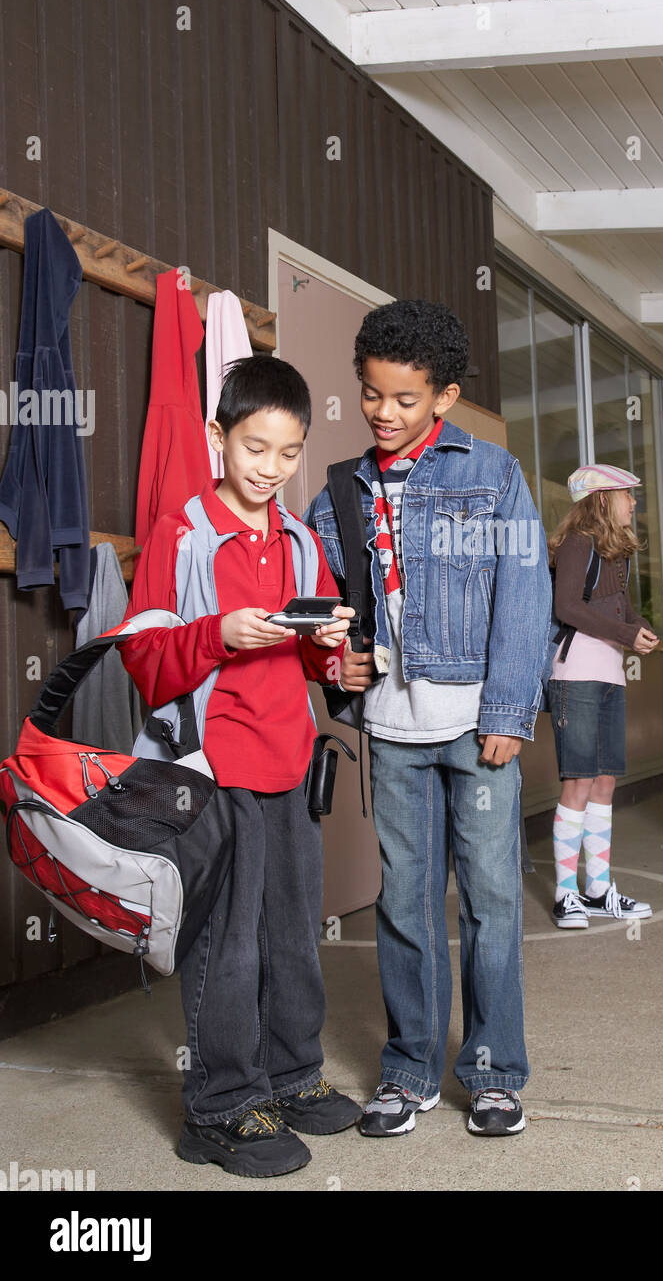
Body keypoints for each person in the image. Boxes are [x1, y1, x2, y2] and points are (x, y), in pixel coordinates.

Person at [304, 299, 551, 1139]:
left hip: (477, 725)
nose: (384, 412)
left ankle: (491, 1073)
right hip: (392, 731)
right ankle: (407, 1069)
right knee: (405, 905)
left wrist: (510, 713)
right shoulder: (338, 492)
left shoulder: (493, 475)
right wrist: (338, 666)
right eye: (372, 394)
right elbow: (334, 618)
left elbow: (525, 597)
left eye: (405, 399)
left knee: (489, 902)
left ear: (443, 397)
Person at [121, 355, 363, 1178]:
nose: (270, 469)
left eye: (288, 453)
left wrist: (332, 655)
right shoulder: (180, 535)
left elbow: (312, 654)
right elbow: (146, 661)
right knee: (225, 944)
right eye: (254, 448)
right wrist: (220, 634)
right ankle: (220, 1108)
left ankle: (290, 1077)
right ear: (217, 436)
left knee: (291, 932)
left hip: (288, 762)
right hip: (208, 770)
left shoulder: (297, 539)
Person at [546, 466, 659, 929]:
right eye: (626, 496)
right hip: (576, 675)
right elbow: (566, 607)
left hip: (610, 675)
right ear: (600, 500)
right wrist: (625, 632)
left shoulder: (616, 553)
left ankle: (598, 890)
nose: (633, 504)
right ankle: (565, 894)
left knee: (606, 782)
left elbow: (620, 608)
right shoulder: (579, 545)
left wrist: (640, 630)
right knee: (578, 781)